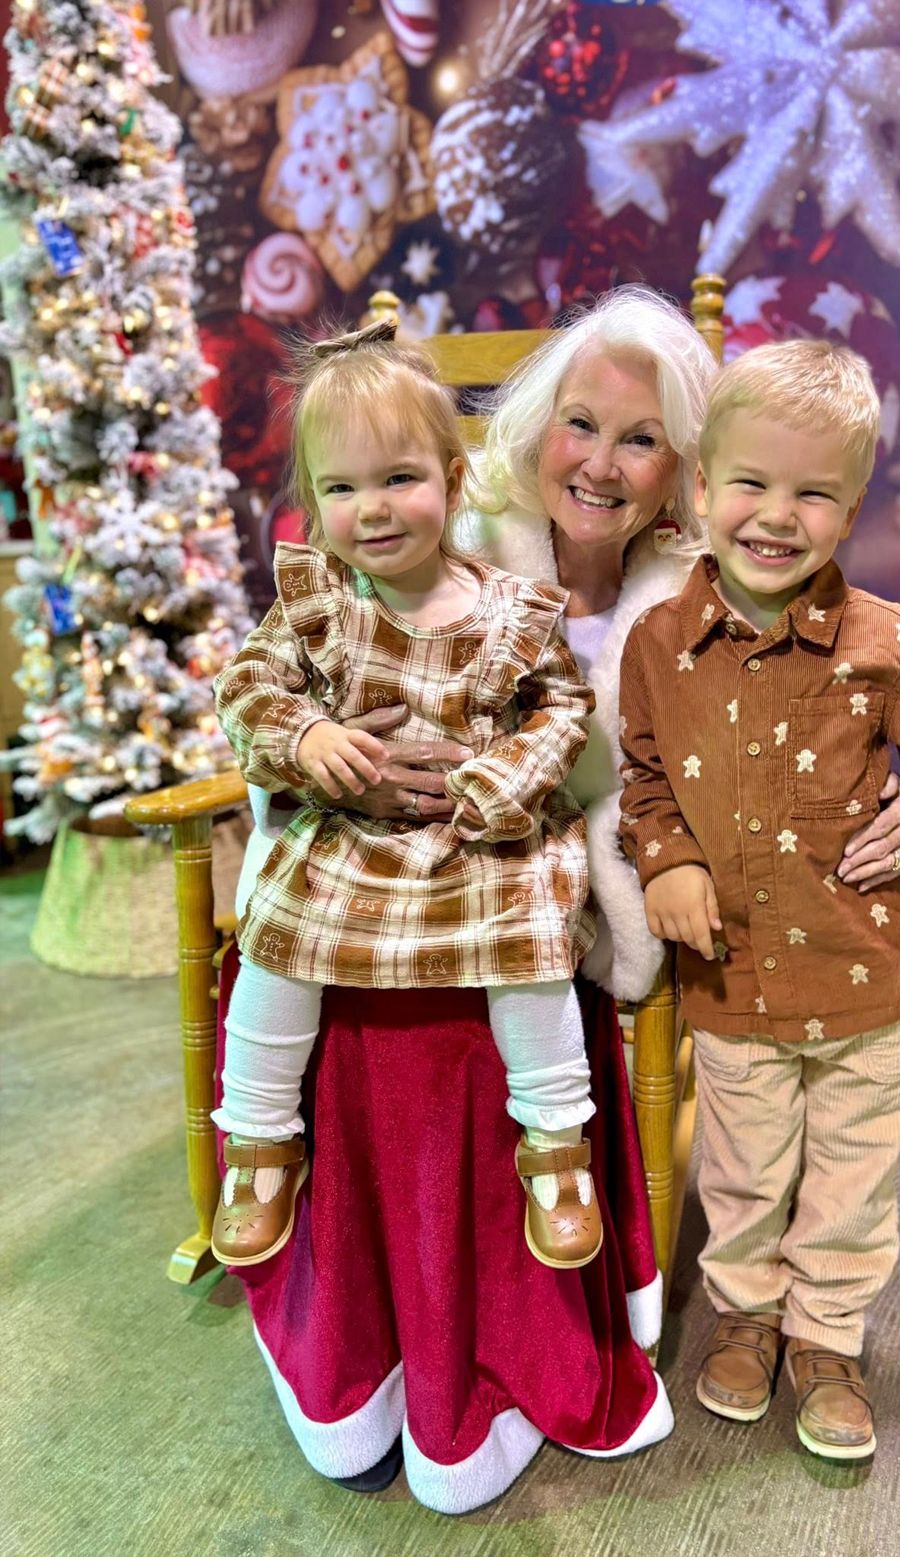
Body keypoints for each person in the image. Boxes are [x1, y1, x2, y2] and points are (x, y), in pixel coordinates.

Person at [225, 288, 900, 1512]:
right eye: (580, 423)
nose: (601, 463)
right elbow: (271, 683)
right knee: (322, 993)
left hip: (557, 907)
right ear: (531, 427)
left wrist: (894, 799)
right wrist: (322, 750)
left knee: (524, 1004)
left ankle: (524, 1286)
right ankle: (333, 1277)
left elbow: (817, 713)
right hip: (371, 873)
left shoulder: (711, 592)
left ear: (686, 472)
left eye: (643, 437)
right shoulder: (426, 535)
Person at [617, 339, 900, 1461]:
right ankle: (743, 1314)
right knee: (743, 1173)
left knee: (849, 1178)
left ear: (850, 509)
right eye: (749, 482)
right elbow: (644, 779)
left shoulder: (882, 643)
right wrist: (669, 864)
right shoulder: (659, 643)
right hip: (732, 978)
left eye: (814, 493)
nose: (774, 515)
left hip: (859, 978)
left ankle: (827, 1338)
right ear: (700, 486)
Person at [211, 320, 603, 1276]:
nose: (372, 510)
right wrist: (307, 735)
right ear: (312, 503)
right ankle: (261, 1141)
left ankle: (556, 1141)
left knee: (532, 937)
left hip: (477, 835)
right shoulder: (320, 605)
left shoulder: (508, 610)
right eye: (341, 489)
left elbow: (561, 706)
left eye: (399, 479)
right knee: (281, 929)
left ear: (452, 484)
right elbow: (248, 688)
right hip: (350, 832)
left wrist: (502, 781)